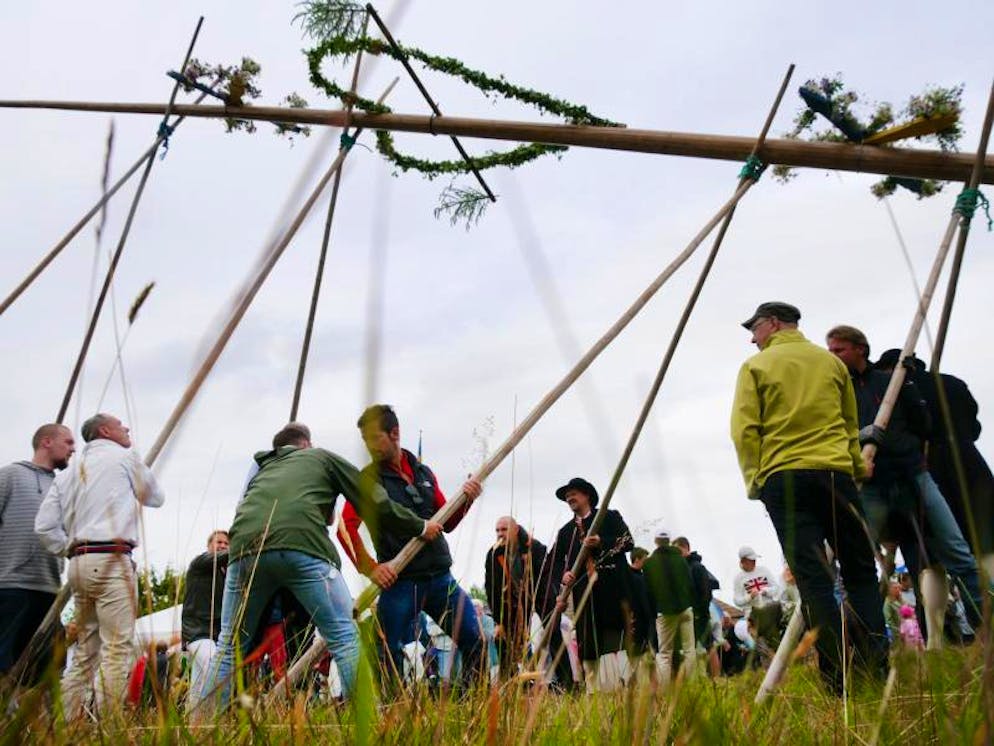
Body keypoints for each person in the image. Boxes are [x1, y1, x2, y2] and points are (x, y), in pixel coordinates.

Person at [201, 422, 433, 710]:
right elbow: (374, 499)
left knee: (228, 646)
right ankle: (368, 719)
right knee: (344, 636)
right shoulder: (320, 457)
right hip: (302, 546)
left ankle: (200, 723)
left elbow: (245, 508)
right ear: (306, 445)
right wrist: (420, 526)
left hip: (244, 550)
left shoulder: (262, 467)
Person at [730, 302, 887, 694]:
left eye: (754, 329)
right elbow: (849, 424)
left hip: (784, 478)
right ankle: (875, 669)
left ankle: (838, 682)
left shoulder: (755, 367)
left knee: (815, 582)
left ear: (773, 324)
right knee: (861, 573)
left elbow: (745, 431)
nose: (752, 339)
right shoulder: (831, 364)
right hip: (836, 475)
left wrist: (755, 481)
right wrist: (855, 466)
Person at [827, 327, 983, 631]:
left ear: (860, 349)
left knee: (957, 551)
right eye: (830, 351)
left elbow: (923, 424)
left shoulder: (892, 383)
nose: (833, 356)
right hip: (871, 483)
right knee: (857, 558)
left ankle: (983, 624)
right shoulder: (837, 392)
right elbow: (836, 434)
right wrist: (859, 442)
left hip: (912, 474)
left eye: (839, 350)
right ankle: (863, 636)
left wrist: (899, 442)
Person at [343, 405, 485, 690]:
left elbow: (446, 521)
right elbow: (346, 528)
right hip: (400, 582)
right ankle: (393, 705)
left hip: (440, 578)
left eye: (375, 438)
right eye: (366, 441)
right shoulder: (367, 480)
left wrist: (466, 500)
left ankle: (472, 699)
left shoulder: (423, 472)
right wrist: (371, 569)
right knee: (387, 650)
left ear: (394, 433)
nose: (370, 447)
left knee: (474, 638)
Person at [35, 413, 164, 718]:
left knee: (85, 651)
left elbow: (44, 526)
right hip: (112, 559)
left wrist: (68, 548)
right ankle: (109, 726)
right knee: (117, 648)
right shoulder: (124, 458)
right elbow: (156, 497)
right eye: (121, 425)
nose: (127, 428)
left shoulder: (68, 473)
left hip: (79, 563)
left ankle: (67, 723)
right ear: (105, 431)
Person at [545, 477, 637, 692]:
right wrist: (564, 575)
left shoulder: (609, 517)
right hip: (585, 596)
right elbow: (553, 562)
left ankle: (624, 687)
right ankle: (593, 690)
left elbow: (628, 542)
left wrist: (602, 542)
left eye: (573, 493)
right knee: (588, 643)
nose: (569, 498)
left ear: (587, 495)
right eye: (567, 496)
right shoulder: (566, 531)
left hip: (613, 591)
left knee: (617, 638)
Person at [0, 424, 75, 683]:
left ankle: (28, 710)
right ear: (47, 442)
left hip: (50, 588)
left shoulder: (62, 486)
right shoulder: (10, 476)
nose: (73, 448)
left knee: (49, 669)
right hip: (11, 584)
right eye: (68, 442)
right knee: (3, 661)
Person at [484, 515, 547, 677]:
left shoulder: (534, 547)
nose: (500, 534)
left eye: (504, 529)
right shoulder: (494, 553)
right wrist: (498, 621)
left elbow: (544, 579)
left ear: (516, 529)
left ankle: (560, 682)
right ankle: (510, 680)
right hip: (510, 608)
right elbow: (492, 589)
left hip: (537, 604)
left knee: (544, 639)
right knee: (501, 640)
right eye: (497, 530)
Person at [181, 530, 228, 710]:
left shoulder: (224, 575)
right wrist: (243, 544)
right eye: (219, 542)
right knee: (215, 669)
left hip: (212, 635)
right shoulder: (200, 563)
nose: (223, 546)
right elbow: (227, 556)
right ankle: (216, 716)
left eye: (226, 543)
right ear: (209, 546)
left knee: (198, 682)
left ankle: (193, 721)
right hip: (197, 631)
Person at [643, 530, 696, 686]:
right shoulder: (680, 559)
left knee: (665, 653)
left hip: (665, 612)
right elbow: (690, 583)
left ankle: (664, 690)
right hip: (685, 608)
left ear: (656, 542)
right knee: (689, 649)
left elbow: (648, 591)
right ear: (669, 541)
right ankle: (692, 685)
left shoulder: (649, 563)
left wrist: (653, 613)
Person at [673, 536, 720, 654]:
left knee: (709, 646)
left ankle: (715, 668)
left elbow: (705, 592)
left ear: (686, 548)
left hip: (699, 614)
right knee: (688, 648)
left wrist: (699, 611)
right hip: (686, 614)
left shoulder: (697, 567)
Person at [731, 546, 782, 653]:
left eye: (754, 559)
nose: (754, 561)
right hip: (753, 616)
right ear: (743, 561)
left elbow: (777, 588)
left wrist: (765, 591)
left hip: (770, 610)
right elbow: (737, 600)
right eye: (751, 559)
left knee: (777, 639)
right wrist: (749, 597)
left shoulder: (764, 570)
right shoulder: (738, 578)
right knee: (765, 647)